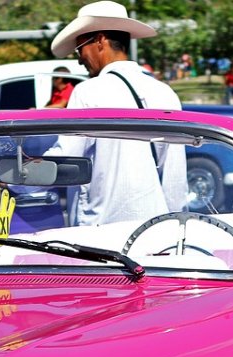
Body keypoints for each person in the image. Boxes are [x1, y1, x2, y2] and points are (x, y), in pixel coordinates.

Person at [47, 0, 187, 226]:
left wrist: (17, 177)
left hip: (99, 232)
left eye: (80, 48)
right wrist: (176, 224)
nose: (79, 59)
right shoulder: (164, 92)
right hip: (154, 229)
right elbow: (174, 176)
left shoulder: (87, 92)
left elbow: (64, 160)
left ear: (100, 40)